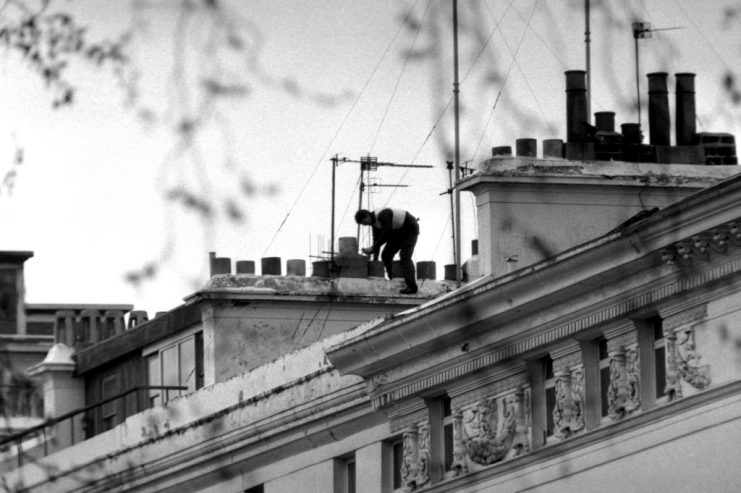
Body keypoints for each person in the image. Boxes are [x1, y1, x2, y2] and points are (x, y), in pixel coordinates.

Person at [355, 207, 419, 294]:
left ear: (367, 215)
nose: (366, 225)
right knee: (386, 255)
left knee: (405, 256)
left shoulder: (383, 215)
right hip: (398, 231)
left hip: (410, 228)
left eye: (365, 222)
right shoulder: (374, 224)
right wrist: (375, 259)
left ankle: (412, 287)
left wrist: (372, 248)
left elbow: (388, 234)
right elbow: (376, 240)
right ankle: (392, 278)